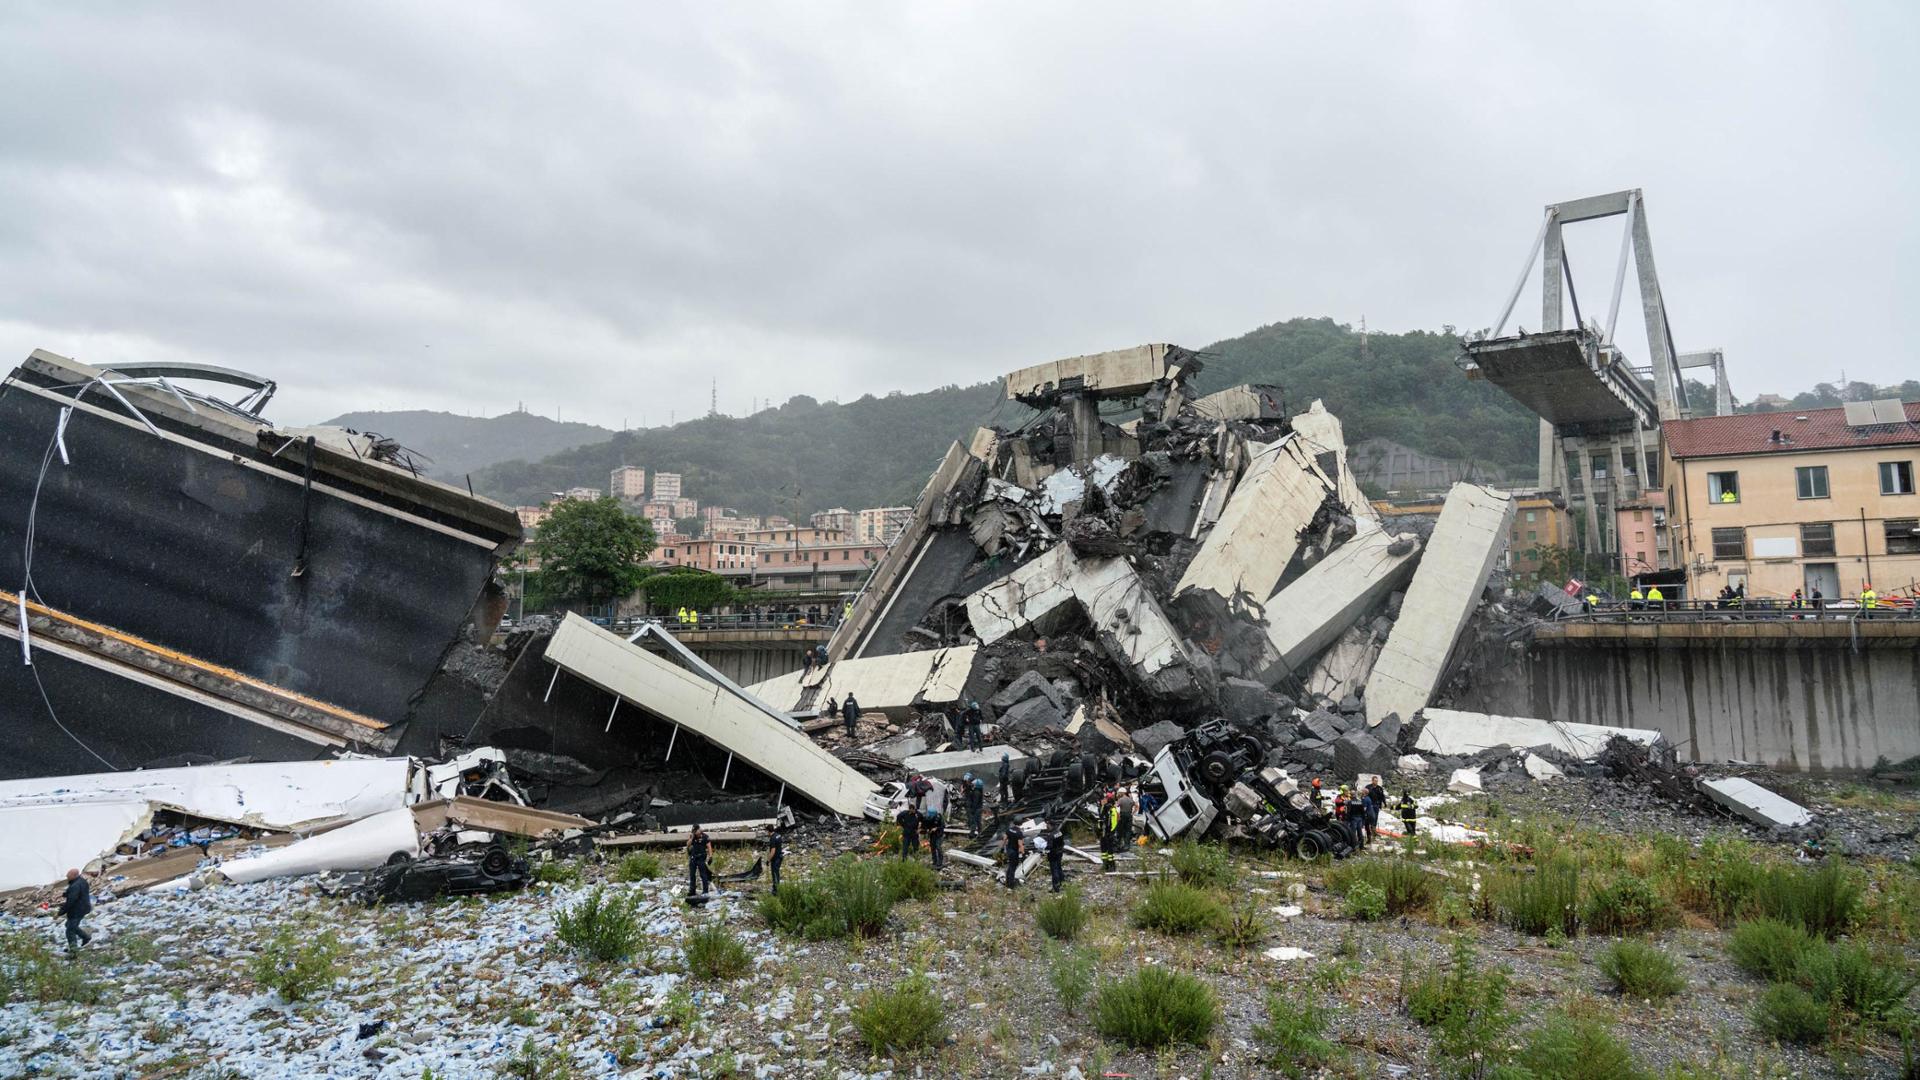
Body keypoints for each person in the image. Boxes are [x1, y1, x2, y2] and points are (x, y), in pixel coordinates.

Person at [57, 869, 92, 954]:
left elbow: (71, 901)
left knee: (70, 931)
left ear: (74, 875)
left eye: (68, 875)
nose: (67, 876)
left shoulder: (75, 885)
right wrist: (65, 894)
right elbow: (78, 893)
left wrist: (62, 911)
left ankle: (74, 951)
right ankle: (85, 937)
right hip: (84, 907)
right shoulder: (82, 881)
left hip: (77, 910)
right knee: (69, 925)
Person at [686, 825, 713, 897]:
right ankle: (692, 890)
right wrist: (691, 838)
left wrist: (710, 856)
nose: (695, 833)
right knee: (692, 874)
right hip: (693, 857)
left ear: (699, 829)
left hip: (701, 857)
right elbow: (688, 845)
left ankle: (705, 890)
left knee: (703, 874)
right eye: (694, 831)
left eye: (696, 831)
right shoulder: (692, 836)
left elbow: (709, 847)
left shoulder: (705, 836)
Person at [1047, 824, 1067, 893]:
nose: (1047, 827)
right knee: (1059, 867)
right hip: (1059, 852)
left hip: (1053, 854)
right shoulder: (1059, 832)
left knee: (1054, 870)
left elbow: (1049, 846)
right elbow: (1063, 843)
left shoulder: (1051, 835)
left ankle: (1056, 887)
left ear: (1051, 825)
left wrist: (1044, 848)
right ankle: (1063, 882)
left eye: (1048, 825)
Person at [1003, 822, 1023, 888]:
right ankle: (1011, 884)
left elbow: (1004, 839)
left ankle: (1007, 881)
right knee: (1013, 867)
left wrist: (1004, 848)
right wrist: (1022, 852)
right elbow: (1020, 844)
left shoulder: (1009, 830)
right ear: (1020, 823)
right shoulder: (1019, 833)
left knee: (1010, 866)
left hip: (1009, 850)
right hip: (1014, 852)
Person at [767, 826, 785, 893]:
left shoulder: (772, 838)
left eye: (767, 831)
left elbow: (773, 851)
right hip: (780, 857)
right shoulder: (778, 835)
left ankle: (776, 890)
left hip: (775, 859)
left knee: (774, 874)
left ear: (768, 831)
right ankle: (777, 887)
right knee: (777, 873)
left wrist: (768, 860)